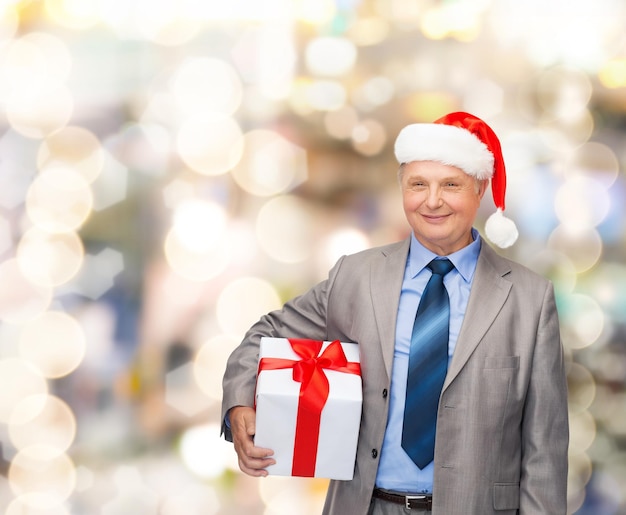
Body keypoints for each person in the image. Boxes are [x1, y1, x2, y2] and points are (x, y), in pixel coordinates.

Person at [221, 112, 569, 514]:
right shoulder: (357, 276)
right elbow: (267, 333)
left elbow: (545, 450)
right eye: (418, 184)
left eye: (450, 185)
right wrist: (240, 403)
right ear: (402, 188)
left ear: (480, 189)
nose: (432, 200)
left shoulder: (529, 299)